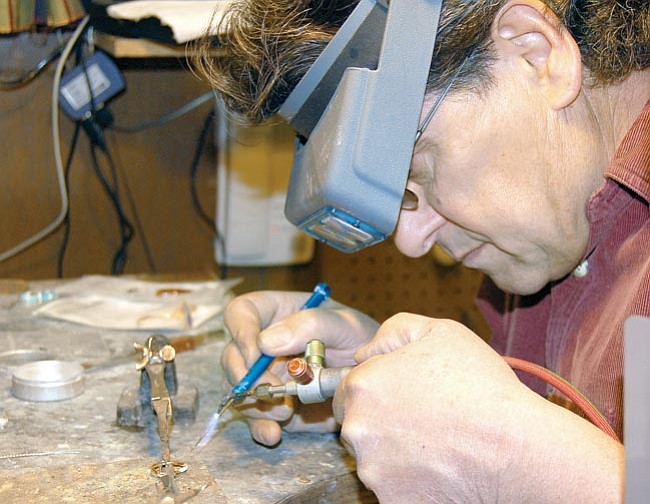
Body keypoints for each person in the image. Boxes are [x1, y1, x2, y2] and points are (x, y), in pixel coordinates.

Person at [194, 0, 650, 501]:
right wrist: (374, 382)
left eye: (421, 173)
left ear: (534, 54)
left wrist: (506, 457)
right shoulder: (542, 240)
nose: (412, 242)